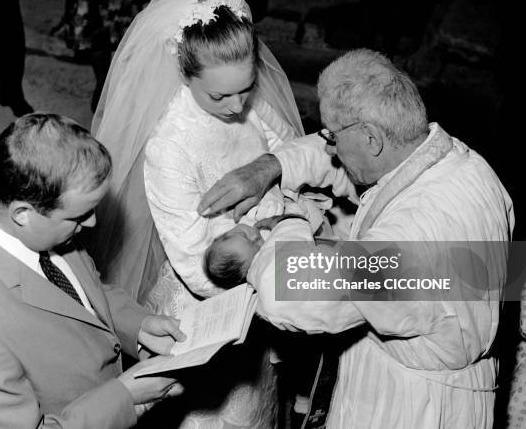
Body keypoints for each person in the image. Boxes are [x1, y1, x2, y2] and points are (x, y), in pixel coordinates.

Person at [89, 0, 352, 428]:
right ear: (184, 74)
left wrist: (282, 197)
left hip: (273, 284)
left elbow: (290, 151)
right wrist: (281, 244)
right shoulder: (170, 144)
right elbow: (196, 265)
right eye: (219, 96)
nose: (236, 106)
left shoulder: (251, 104)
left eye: (246, 88)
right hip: (220, 308)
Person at [199, 49, 514, 428]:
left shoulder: (411, 239)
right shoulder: (462, 165)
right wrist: (272, 166)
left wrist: (290, 220)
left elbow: (298, 293)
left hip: (413, 406)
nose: (328, 147)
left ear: (371, 137)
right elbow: (343, 164)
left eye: (333, 136)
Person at [0, 113, 187, 428]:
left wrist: (138, 326)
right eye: (80, 216)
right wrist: (124, 397)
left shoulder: (29, 216)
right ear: (22, 213)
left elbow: (85, 293)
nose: (90, 223)